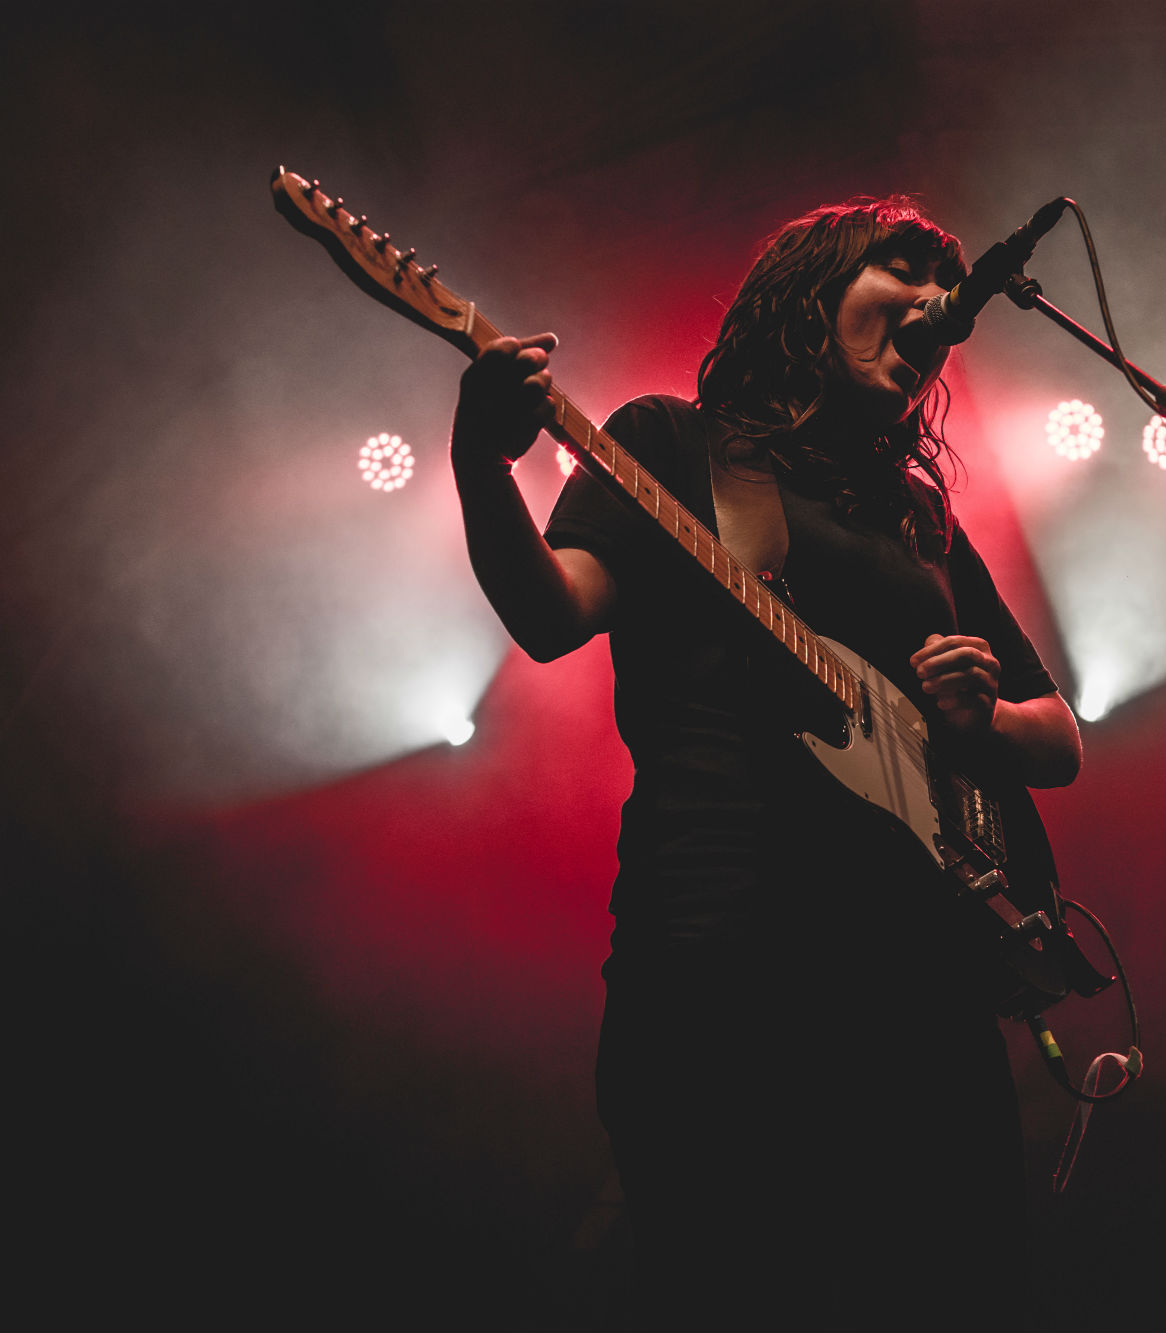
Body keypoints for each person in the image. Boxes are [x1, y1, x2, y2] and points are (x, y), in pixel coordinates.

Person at [450, 197, 1081, 1330]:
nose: (932, 304)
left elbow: (1059, 739)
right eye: (899, 271)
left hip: (920, 982)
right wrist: (476, 459)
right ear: (812, 290)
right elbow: (551, 616)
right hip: (725, 963)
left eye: (943, 286)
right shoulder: (674, 446)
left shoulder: (915, 515)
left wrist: (977, 714)